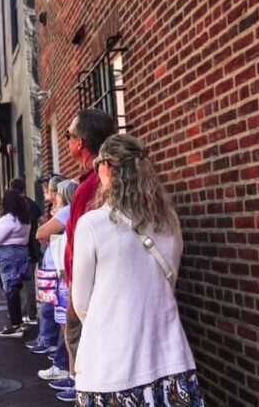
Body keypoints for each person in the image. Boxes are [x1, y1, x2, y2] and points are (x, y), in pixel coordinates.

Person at [72, 134, 204, 405]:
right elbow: (170, 280)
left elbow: (81, 302)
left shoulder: (92, 225)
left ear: (106, 168)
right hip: (169, 360)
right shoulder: (168, 222)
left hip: (111, 367)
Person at [58, 108, 116, 403]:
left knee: (84, 359)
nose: (66, 141)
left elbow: (80, 248)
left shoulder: (87, 189)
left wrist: (74, 299)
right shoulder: (104, 181)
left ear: (79, 143)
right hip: (108, 291)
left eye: (67, 135)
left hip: (89, 293)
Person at [35, 179, 78, 385]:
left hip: (61, 272)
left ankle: (70, 374)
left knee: (65, 325)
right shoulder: (73, 210)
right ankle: (67, 370)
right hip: (62, 270)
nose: (53, 196)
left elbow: (40, 233)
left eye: (56, 193)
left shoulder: (66, 211)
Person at [26, 174, 65, 354]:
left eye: (48, 188)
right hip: (49, 257)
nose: (45, 191)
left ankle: (51, 344)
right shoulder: (52, 208)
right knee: (47, 304)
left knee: (51, 307)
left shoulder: (64, 210)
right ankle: (47, 339)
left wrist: (46, 233)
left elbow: (41, 233)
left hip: (57, 264)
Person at [0, 188, 30, 338]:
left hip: (6, 257)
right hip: (21, 255)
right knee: (16, 289)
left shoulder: (9, 220)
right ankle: (17, 321)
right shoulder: (24, 219)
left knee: (9, 290)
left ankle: (15, 325)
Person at [9, 178, 43, 326]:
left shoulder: (13, 206)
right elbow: (43, 221)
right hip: (32, 247)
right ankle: (30, 313)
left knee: (21, 282)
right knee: (29, 281)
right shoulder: (32, 204)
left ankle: (25, 312)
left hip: (18, 247)